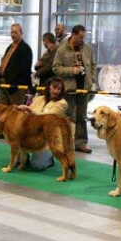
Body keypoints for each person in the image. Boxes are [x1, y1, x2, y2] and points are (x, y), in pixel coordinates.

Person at [52, 24, 97, 154]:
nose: (82, 40)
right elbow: (56, 68)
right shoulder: (62, 49)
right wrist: (72, 71)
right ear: (73, 34)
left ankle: (81, 142)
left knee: (82, 116)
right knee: (68, 117)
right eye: (80, 37)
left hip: (84, 89)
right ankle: (66, 142)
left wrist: (92, 78)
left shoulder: (87, 49)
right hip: (69, 89)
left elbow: (93, 65)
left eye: (84, 37)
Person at [17, 77, 68, 170]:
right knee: (16, 155)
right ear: (49, 87)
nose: (56, 91)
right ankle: (26, 155)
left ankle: (50, 159)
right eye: (54, 87)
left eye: (59, 89)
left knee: (37, 166)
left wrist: (29, 109)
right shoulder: (39, 98)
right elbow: (28, 115)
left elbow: (46, 117)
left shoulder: (62, 104)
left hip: (48, 140)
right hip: (33, 135)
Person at [0, 23, 32, 105]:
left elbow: (25, 71)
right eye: (12, 32)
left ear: (21, 33)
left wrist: (16, 84)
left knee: (16, 112)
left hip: (16, 87)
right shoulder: (10, 47)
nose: (13, 34)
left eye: (15, 32)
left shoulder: (25, 49)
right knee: (3, 111)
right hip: (4, 83)